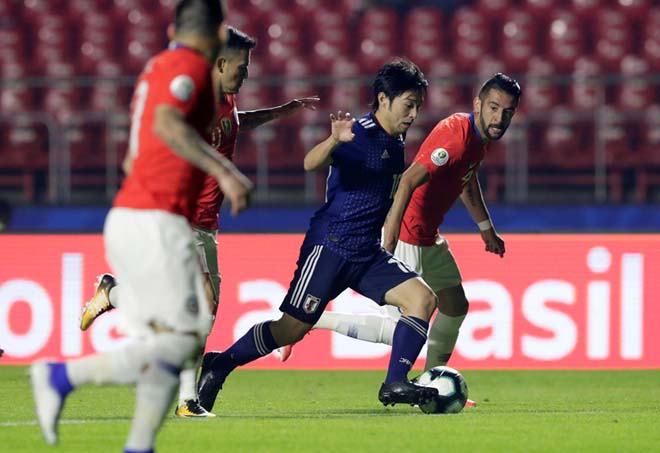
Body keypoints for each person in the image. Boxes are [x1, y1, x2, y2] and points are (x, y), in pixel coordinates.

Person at [29, 1, 253, 450]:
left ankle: (141, 438)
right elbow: (168, 124)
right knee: (182, 337)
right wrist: (224, 172)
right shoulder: (190, 68)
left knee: (180, 336)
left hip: (144, 213)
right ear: (218, 32)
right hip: (158, 217)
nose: (244, 73)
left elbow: (136, 152)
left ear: (173, 27)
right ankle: (62, 375)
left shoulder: (158, 68)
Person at [78, 26, 320, 418]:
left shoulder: (225, 98)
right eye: (242, 66)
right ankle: (186, 401)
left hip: (207, 224)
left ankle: (113, 294)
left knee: (197, 311)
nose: (246, 73)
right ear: (220, 62)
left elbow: (235, 124)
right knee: (200, 302)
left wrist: (280, 111)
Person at [197, 58, 441, 412]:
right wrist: (333, 141)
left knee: (423, 300)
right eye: (408, 104)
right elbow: (310, 163)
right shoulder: (358, 134)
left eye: (418, 105)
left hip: (366, 253)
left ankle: (395, 384)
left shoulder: (397, 139)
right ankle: (221, 363)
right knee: (289, 330)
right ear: (383, 99)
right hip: (330, 248)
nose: (414, 113)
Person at [290, 74, 521, 403]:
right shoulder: (456, 136)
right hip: (408, 233)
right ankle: (316, 319)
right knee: (399, 328)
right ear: (478, 105)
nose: (499, 118)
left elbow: (466, 179)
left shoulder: (476, 139)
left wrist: (486, 228)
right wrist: (391, 238)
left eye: (507, 111)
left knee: (455, 306)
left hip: (429, 236)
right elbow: (409, 180)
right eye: (494, 108)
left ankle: (434, 380)